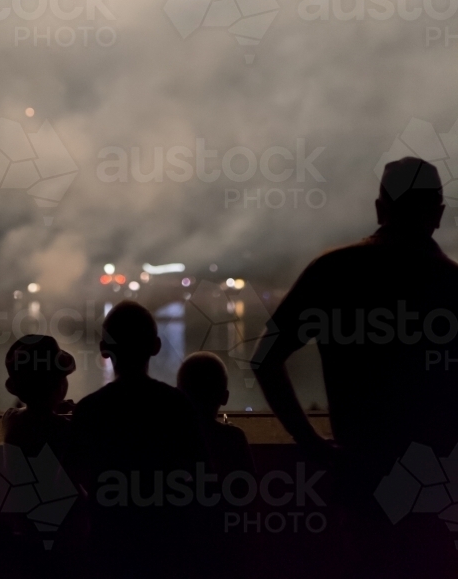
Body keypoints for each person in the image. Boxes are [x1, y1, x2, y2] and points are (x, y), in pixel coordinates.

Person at [253, 157, 458, 577]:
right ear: (438, 214)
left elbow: (265, 359)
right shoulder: (452, 285)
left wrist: (310, 443)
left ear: (381, 208)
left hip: (361, 478)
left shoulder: (333, 272)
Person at [70, 301, 207, 578]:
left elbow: (73, 476)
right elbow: (201, 474)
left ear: (103, 350)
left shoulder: (88, 410)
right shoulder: (178, 405)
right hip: (167, 546)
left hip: (108, 545)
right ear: (156, 346)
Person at [177, 351, 254, 481]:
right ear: (225, 397)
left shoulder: (172, 436)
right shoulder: (234, 438)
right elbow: (249, 487)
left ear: (179, 396)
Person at [2, 334, 76, 460]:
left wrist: (53, 409)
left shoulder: (9, 418)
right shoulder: (64, 428)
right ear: (60, 386)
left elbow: (36, 417)